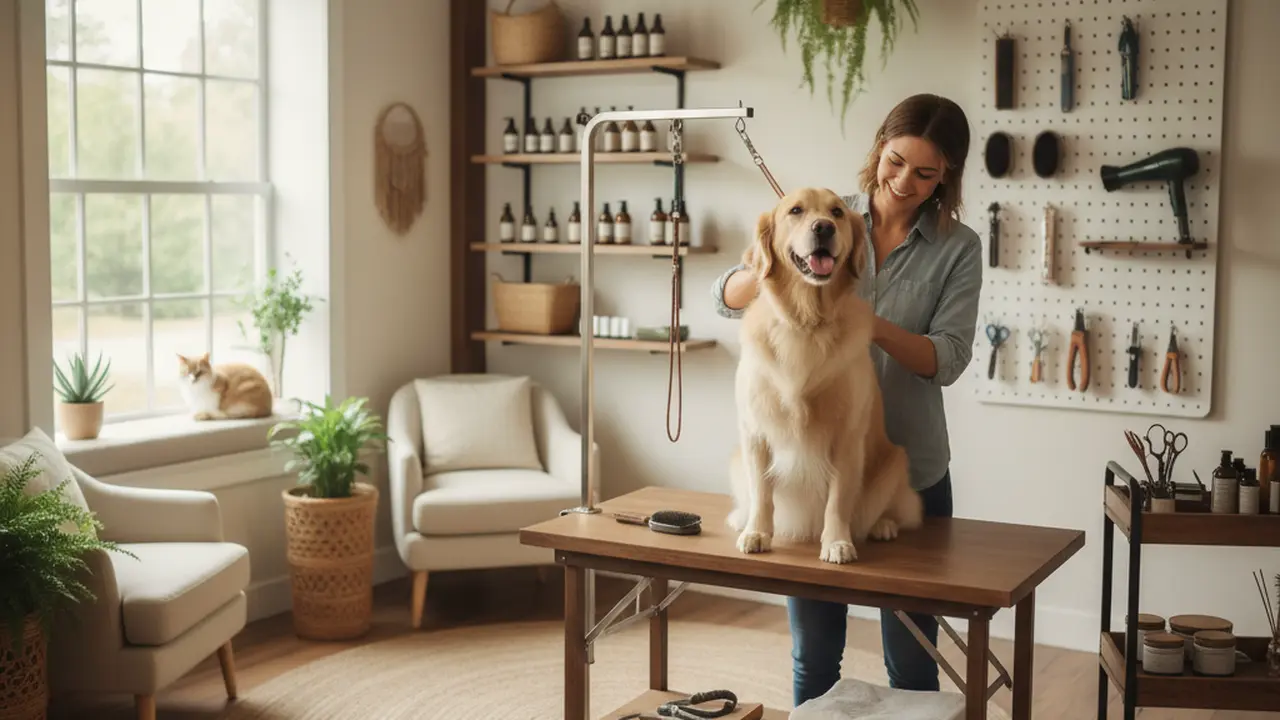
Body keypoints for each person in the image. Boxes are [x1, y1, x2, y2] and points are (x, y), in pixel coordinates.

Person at [709, 93, 985, 705]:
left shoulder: (957, 248)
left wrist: (868, 319)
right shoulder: (825, 217)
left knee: (912, 663)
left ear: (948, 177)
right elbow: (722, 294)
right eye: (894, 162)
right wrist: (778, 260)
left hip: (904, 469)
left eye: (925, 172)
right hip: (812, 481)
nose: (903, 182)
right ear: (878, 150)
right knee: (813, 658)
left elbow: (948, 359)